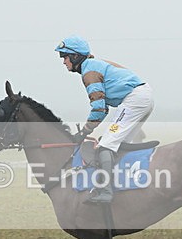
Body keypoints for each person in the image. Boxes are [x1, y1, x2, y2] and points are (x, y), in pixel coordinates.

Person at [56, 35, 154, 203]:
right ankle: (121, 186)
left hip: (134, 99)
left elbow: (99, 109)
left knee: (106, 145)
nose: (63, 61)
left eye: (65, 57)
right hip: (142, 96)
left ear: (75, 56)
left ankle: (106, 192)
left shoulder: (89, 72)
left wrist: (85, 131)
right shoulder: (94, 65)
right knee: (118, 145)